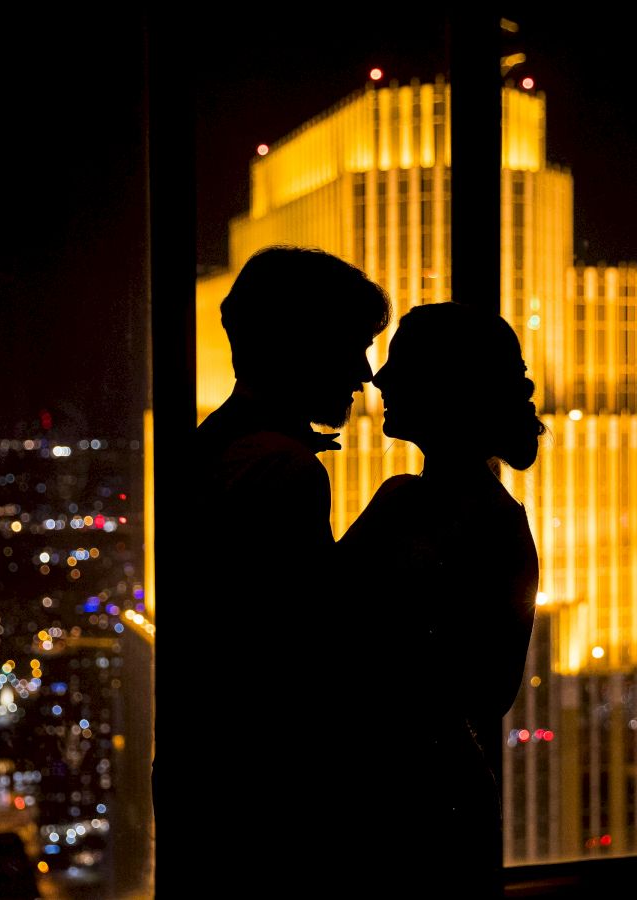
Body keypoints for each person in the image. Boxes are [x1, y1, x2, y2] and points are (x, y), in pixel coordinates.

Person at [176, 246, 391, 888]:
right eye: (351, 346)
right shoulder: (280, 469)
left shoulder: (218, 447)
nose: (364, 373)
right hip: (268, 803)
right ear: (300, 347)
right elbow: (302, 658)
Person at [340, 301, 544, 897]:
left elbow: (488, 689)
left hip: (415, 805)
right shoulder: (460, 511)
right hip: (428, 795)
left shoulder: (439, 513)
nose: (380, 378)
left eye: (400, 363)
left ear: (446, 386)